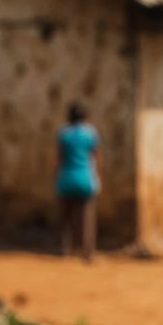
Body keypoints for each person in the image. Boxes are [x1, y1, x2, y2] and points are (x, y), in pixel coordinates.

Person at [55, 101, 99, 261]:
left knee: (65, 219)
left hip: (66, 179)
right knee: (86, 220)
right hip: (85, 179)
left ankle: (63, 249)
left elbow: (59, 158)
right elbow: (94, 157)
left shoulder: (63, 133)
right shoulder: (91, 133)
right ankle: (88, 252)